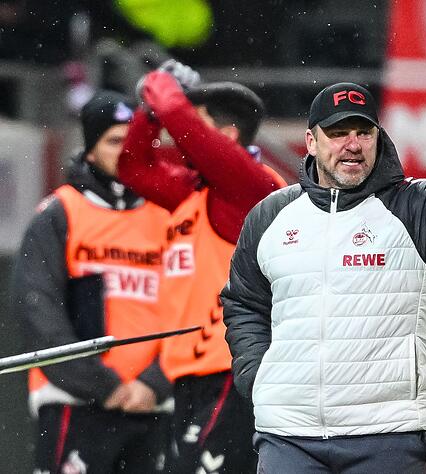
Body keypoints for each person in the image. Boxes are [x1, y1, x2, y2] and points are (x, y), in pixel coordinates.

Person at [219, 82, 426, 473]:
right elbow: (244, 302)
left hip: (387, 435)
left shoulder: (415, 205)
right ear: (311, 142)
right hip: (288, 435)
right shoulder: (271, 215)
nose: (353, 144)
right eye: (337, 133)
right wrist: (257, 375)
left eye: (364, 132)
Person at [118, 61, 286, 473]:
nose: (179, 139)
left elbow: (182, 126)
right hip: (192, 374)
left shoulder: (251, 187)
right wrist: (149, 110)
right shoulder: (194, 193)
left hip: (236, 370)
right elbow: (132, 166)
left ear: (225, 136)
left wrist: (163, 89)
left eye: (196, 125)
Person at [12, 91, 171, 473]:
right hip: (75, 403)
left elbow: (194, 307)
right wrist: (105, 385)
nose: (126, 150)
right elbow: (38, 309)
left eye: (133, 140)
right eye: (114, 141)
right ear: (89, 151)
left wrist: (155, 382)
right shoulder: (60, 211)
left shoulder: (171, 215)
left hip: (154, 404)